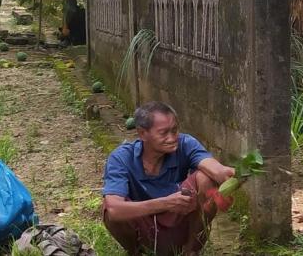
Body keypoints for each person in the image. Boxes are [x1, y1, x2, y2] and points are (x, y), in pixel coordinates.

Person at [101, 101, 235, 255]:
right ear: (142, 133)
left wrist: (227, 174)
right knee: (108, 207)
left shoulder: (185, 144)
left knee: (207, 179)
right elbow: (114, 210)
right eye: (164, 133)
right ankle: (137, 251)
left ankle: (191, 251)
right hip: (144, 228)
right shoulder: (121, 158)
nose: (172, 138)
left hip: (179, 225)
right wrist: (166, 203)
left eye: (175, 130)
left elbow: (213, 167)